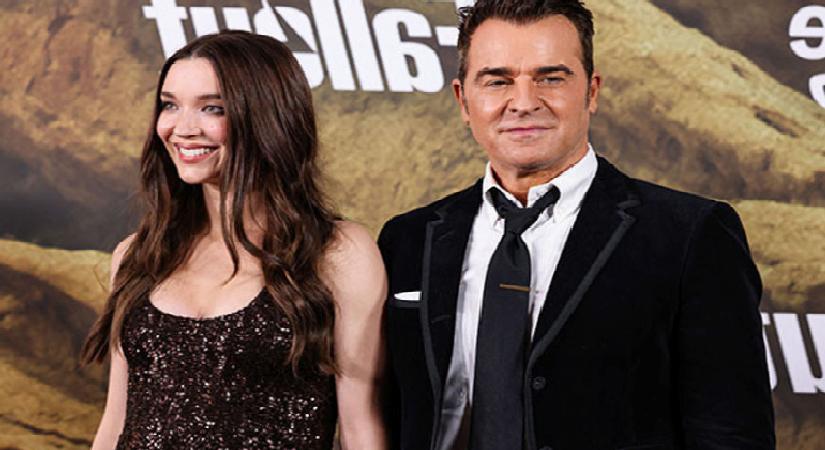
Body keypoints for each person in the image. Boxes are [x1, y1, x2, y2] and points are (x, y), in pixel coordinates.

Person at [378, 1, 775, 449]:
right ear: (463, 100)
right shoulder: (407, 239)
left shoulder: (691, 235)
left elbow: (732, 434)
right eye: (497, 81)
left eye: (551, 78)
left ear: (592, 91)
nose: (524, 103)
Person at [82, 30, 387, 450]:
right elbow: (116, 420)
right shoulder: (137, 255)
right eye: (170, 105)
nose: (182, 128)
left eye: (212, 108)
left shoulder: (337, 253)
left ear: (267, 117)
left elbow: (361, 428)